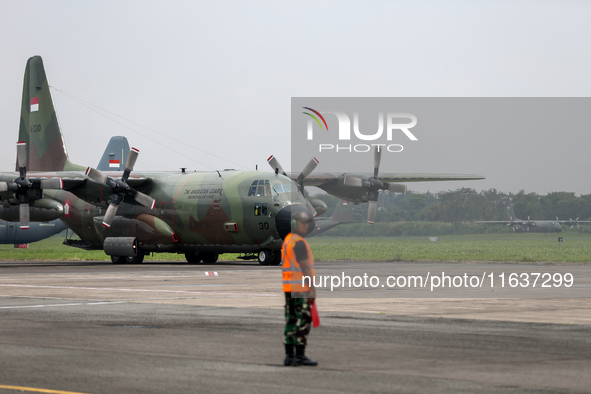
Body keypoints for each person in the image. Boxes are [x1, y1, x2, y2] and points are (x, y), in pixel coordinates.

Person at [281, 209, 318, 367]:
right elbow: (305, 267)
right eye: (303, 223)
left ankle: (289, 356)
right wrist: (312, 287)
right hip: (300, 289)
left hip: (289, 288)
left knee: (291, 321)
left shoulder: (288, 240)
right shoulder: (299, 242)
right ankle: (300, 355)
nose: (306, 226)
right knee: (303, 322)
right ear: (295, 224)